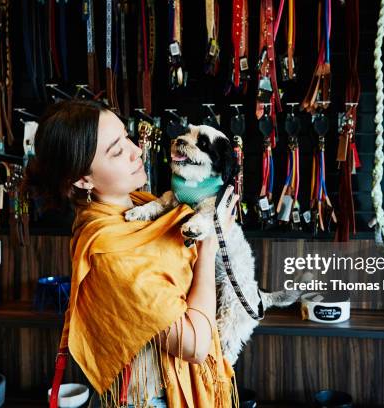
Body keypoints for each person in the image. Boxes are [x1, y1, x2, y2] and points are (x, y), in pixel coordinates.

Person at [23, 100, 240, 408]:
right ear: (82, 179)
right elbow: (194, 345)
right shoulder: (111, 252)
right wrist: (207, 248)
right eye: (116, 150)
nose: (136, 151)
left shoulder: (143, 205)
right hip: (158, 398)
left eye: (126, 137)